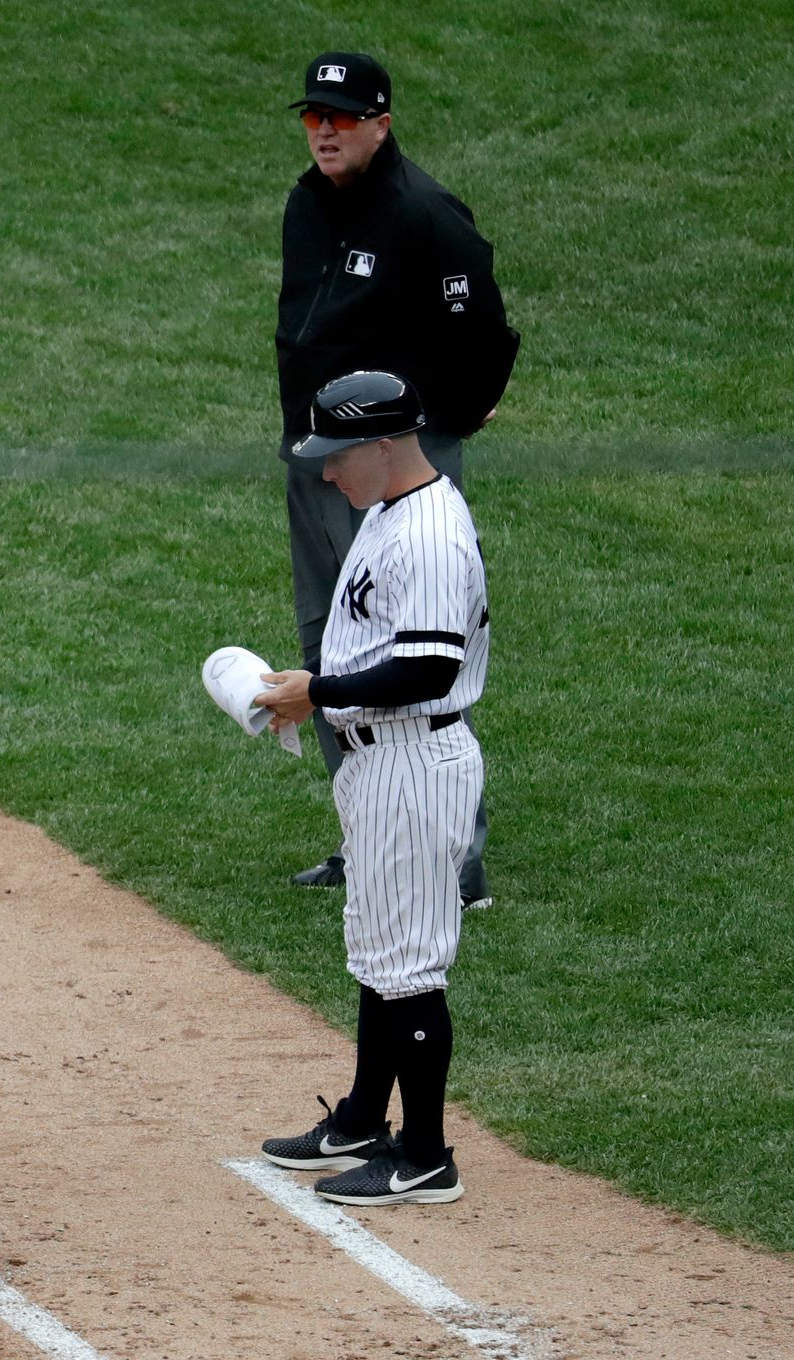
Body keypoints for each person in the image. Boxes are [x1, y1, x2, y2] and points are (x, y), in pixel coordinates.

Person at [275, 51, 517, 902]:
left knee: (407, 646)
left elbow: (485, 328)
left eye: (340, 117)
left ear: (381, 120)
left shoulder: (423, 212)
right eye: (313, 118)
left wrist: (452, 415)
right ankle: (368, 832)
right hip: (315, 455)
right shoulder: (308, 204)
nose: (325, 132)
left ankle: (457, 861)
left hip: (391, 464)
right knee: (329, 645)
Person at [253, 370, 490, 1205]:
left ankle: (423, 1154)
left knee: (410, 966)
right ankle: (361, 1118)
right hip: (380, 760)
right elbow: (377, 642)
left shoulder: (427, 533)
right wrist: (313, 683)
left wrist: (316, 694)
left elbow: (430, 662)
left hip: (413, 763)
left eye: (334, 456)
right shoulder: (387, 510)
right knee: (379, 952)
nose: (324, 474)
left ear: (382, 445)